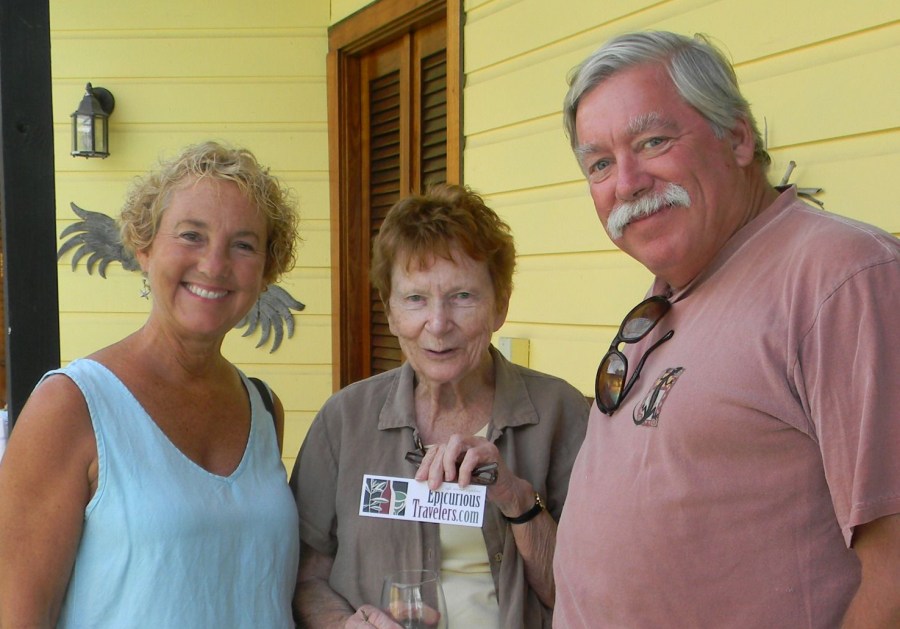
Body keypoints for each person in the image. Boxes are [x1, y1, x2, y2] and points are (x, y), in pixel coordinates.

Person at [553, 31, 900, 627]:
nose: (627, 182)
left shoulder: (843, 278)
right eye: (601, 163)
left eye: (652, 141)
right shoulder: (676, 284)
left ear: (738, 137)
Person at [0, 141, 301, 627]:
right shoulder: (72, 405)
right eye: (191, 235)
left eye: (244, 245)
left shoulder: (264, 408)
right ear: (144, 248)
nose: (214, 264)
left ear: (266, 271)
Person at [291, 184, 589, 628]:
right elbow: (304, 575)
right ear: (390, 312)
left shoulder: (559, 413)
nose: (437, 323)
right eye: (415, 299)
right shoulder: (344, 420)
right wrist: (343, 625)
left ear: (500, 305)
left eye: (462, 296)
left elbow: (585, 595)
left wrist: (517, 498)